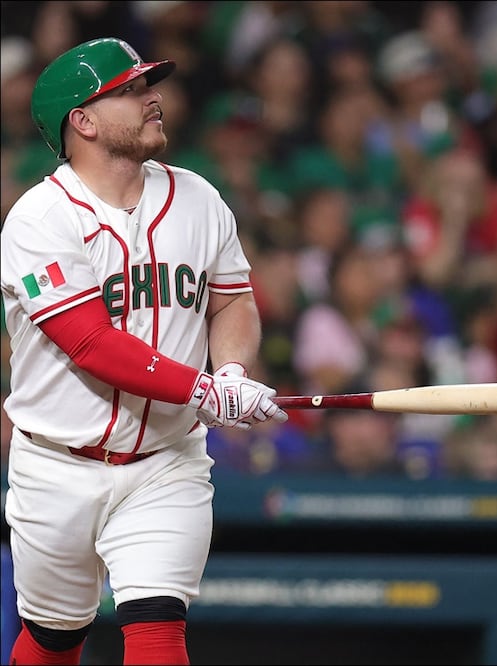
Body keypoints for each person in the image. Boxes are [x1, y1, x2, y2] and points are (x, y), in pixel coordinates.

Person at [0, 37, 288, 665]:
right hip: (56, 463)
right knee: (53, 639)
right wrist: (202, 388)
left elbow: (233, 302)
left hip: (166, 459)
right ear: (83, 120)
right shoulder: (38, 219)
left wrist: (232, 370)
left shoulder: (198, 197)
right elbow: (90, 342)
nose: (151, 98)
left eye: (146, 85)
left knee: (158, 630)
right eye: (129, 90)